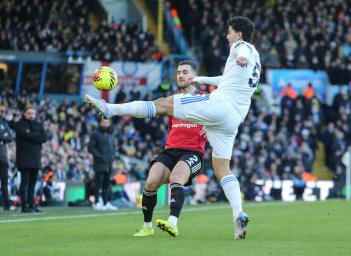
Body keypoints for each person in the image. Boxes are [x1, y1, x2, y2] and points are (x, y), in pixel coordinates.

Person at [85, 16, 260, 239]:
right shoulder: (258, 60)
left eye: (229, 32)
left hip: (220, 106)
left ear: (239, 34)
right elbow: (226, 79)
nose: (227, 36)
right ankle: (239, 213)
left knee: (162, 104)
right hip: (234, 117)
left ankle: (110, 109)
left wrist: (241, 57)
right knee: (222, 169)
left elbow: (241, 52)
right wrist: (201, 78)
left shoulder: (242, 47)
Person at [133, 60, 207, 237]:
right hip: (171, 150)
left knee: (176, 178)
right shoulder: (172, 101)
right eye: (178, 72)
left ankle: (173, 223)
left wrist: (213, 127)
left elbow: (230, 114)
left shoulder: (207, 98)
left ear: (193, 77)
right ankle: (147, 226)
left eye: (185, 72)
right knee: (151, 183)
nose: (180, 75)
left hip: (193, 152)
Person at [14, 105, 47, 213]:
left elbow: (45, 137)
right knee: (25, 183)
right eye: (29, 113)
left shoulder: (38, 124)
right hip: (24, 159)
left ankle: (32, 205)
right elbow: (26, 135)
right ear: (24, 114)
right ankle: (24, 206)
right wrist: (37, 136)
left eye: (33, 113)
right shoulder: (20, 124)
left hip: (36, 158)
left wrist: (32, 135)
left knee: (33, 183)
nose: (31, 115)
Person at [88, 117, 118, 211]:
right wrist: (98, 157)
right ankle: (97, 202)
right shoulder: (95, 134)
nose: (105, 124)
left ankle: (105, 202)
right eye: (103, 122)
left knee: (106, 184)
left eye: (106, 122)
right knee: (98, 183)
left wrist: (113, 156)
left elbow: (112, 146)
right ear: (100, 123)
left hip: (109, 163)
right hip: (100, 163)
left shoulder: (111, 133)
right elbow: (90, 147)